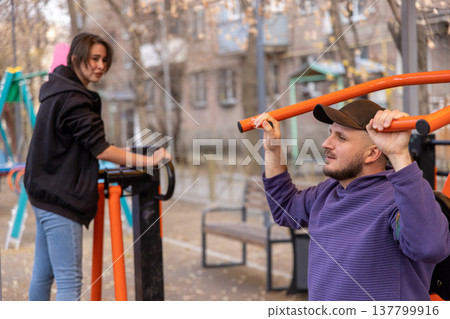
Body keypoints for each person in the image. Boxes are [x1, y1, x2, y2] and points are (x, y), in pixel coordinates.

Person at [24, 32, 170, 301]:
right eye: (94, 58)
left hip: (42, 193)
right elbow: (102, 150)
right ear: (77, 58)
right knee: (70, 280)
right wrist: (148, 162)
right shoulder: (74, 99)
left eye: (104, 59)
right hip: (60, 198)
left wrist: (129, 153)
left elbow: (91, 144)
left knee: (43, 275)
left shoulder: (58, 91)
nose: (101, 65)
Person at [257, 99, 450, 301]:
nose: (326, 143)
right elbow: (285, 209)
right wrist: (273, 151)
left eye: (341, 138)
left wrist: (399, 155)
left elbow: (430, 247)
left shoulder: (398, 199)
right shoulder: (329, 191)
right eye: (330, 133)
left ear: (373, 153)